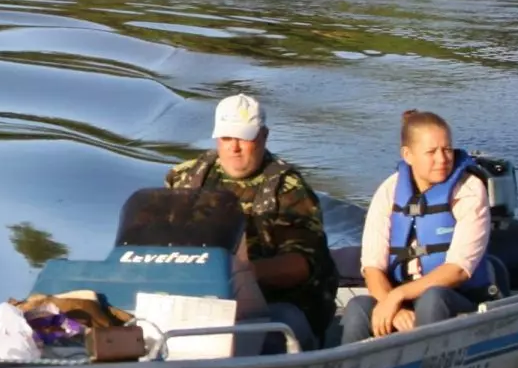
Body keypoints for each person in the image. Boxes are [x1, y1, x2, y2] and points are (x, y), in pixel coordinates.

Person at [165, 93, 337, 350]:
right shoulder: (185, 177)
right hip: (197, 298)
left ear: (263, 136)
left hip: (275, 304)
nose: (234, 147)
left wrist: (239, 275)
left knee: (271, 335)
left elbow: (302, 265)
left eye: (243, 138)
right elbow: (156, 236)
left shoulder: (288, 188)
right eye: (226, 138)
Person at [340, 110, 493, 344]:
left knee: (432, 300)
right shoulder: (389, 191)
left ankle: (425, 367)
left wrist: (397, 296)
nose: (442, 159)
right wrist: (393, 306)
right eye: (431, 152)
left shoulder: (469, 190)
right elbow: (373, 267)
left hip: (455, 296)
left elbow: (459, 269)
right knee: (358, 307)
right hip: (401, 295)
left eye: (447, 150)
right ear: (408, 155)